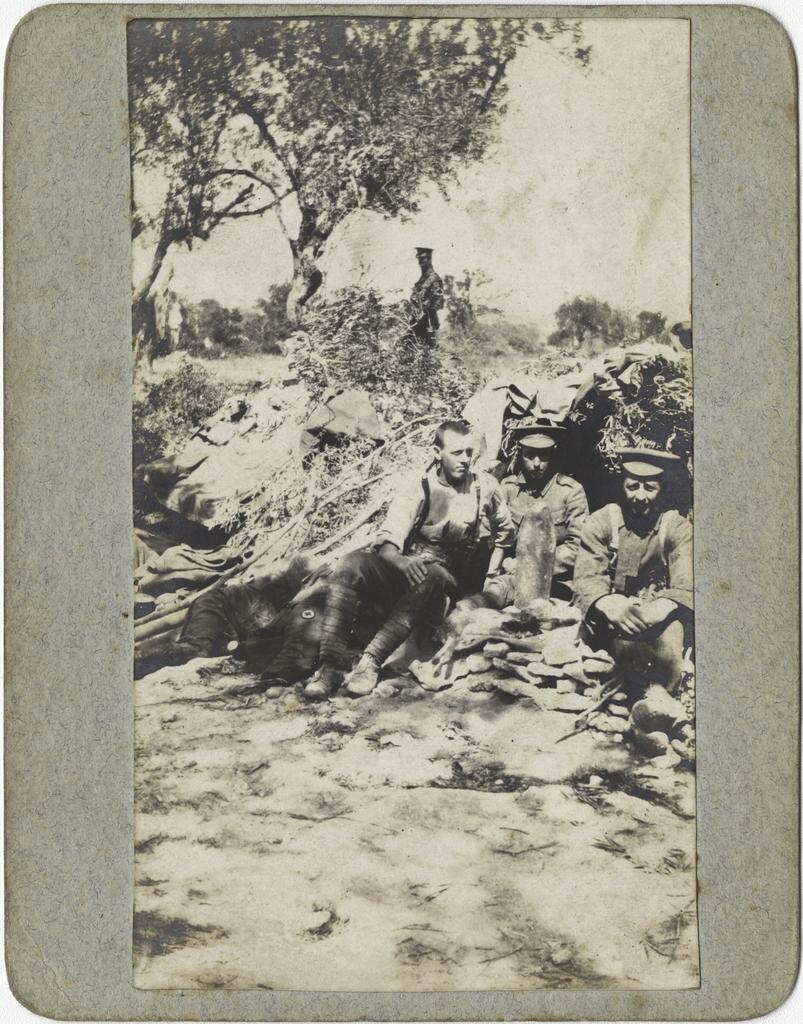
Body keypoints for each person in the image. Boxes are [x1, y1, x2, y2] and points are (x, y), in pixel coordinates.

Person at [304, 419, 516, 700]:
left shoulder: (483, 487)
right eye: (456, 452)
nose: (465, 460)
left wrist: (492, 573)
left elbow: (505, 531)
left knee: (432, 575)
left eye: (468, 452)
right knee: (350, 563)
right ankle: (329, 666)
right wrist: (403, 562)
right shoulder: (418, 486)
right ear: (436, 452)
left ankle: (370, 663)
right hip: (407, 566)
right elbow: (388, 544)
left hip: (446, 579)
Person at [573, 447, 693, 694]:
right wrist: (607, 603)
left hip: (656, 618)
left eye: (650, 488)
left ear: (662, 489)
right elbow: (587, 576)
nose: (640, 496)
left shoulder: (676, 527)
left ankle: (658, 702)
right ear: (621, 485)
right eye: (632, 486)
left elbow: (686, 583)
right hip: (608, 615)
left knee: (668, 658)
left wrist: (655, 610)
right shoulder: (602, 520)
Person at [483, 422, 589, 608]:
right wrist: (502, 563)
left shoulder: (571, 491)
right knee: (486, 601)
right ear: (520, 454)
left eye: (544, 456)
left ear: (553, 455)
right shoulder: (508, 488)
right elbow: (491, 537)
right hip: (511, 578)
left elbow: (577, 546)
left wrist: (529, 565)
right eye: (530, 455)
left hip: (557, 583)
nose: (537, 463)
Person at [409, 246, 444, 345]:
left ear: (429, 259)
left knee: (426, 354)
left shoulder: (434, 279)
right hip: (416, 323)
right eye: (419, 259)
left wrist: (425, 308)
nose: (420, 262)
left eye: (423, 259)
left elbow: (438, 302)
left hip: (427, 325)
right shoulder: (422, 279)